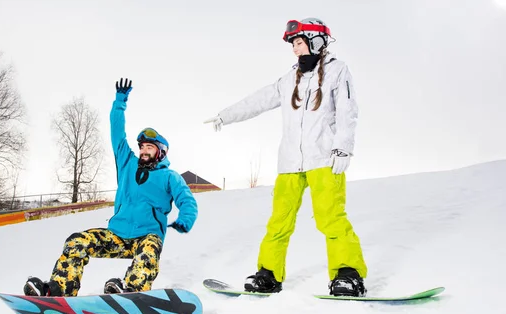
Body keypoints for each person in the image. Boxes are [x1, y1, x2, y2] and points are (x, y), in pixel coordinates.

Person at [204, 18, 368, 296]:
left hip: (324, 160)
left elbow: (347, 111)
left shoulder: (337, 71)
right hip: (290, 163)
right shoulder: (288, 79)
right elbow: (257, 101)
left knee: (330, 218)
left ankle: (347, 274)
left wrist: (343, 147)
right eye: (293, 45)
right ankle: (268, 274)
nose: (295, 50)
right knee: (279, 221)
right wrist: (225, 116)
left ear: (317, 42)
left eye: (299, 43)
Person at [24, 78, 198, 297]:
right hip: (118, 235)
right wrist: (119, 103)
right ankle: (60, 289)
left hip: (147, 236)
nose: (144, 151)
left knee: (149, 251)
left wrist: (186, 219)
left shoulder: (169, 177)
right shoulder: (128, 163)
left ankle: (133, 291)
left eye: (149, 148)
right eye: (142, 147)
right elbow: (117, 134)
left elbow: (187, 200)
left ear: (160, 152)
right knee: (77, 241)